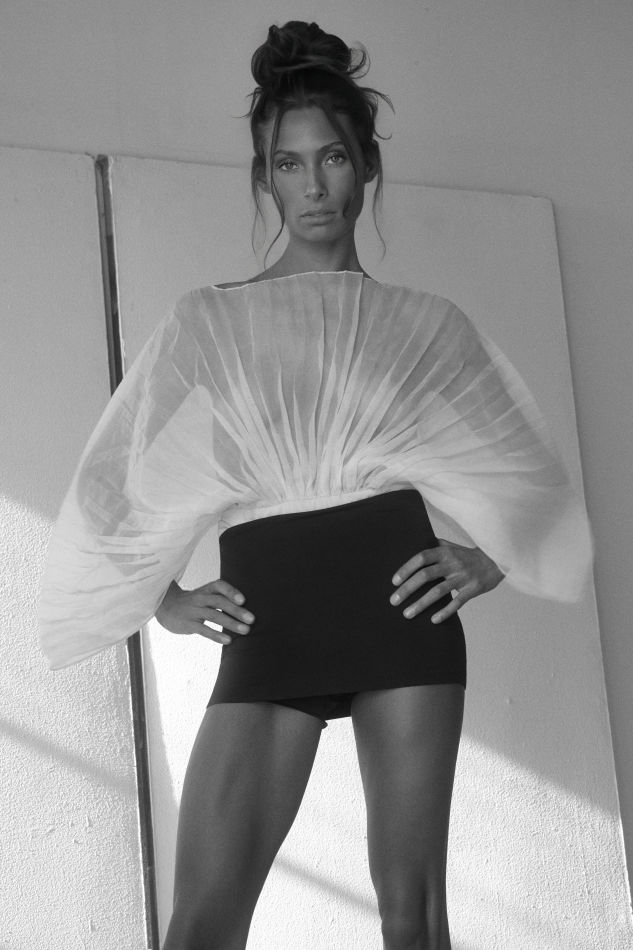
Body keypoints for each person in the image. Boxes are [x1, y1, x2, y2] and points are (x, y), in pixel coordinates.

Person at [37, 21, 594, 950]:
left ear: (364, 166)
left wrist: (484, 559)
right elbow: (109, 488)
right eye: (287, 164)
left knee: (412, 918)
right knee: (201, 927)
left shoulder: (421, 324)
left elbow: (531, 478)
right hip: (271, 623)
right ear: (264, 179)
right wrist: (164, 599)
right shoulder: (211, 324)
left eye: (331, 158)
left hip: (399, 615)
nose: (312, 186)